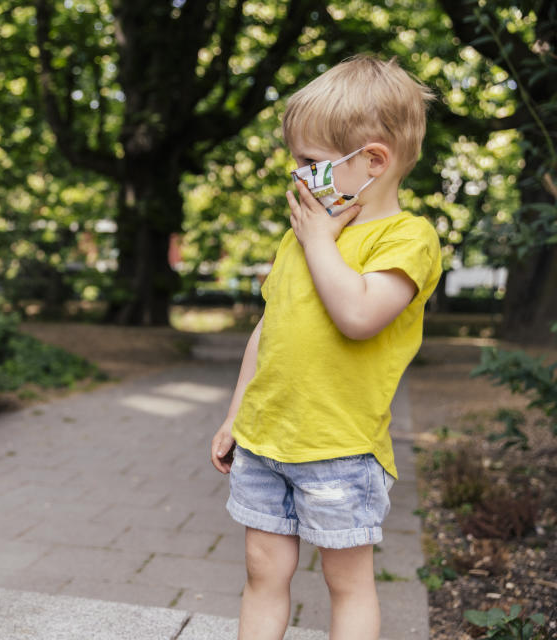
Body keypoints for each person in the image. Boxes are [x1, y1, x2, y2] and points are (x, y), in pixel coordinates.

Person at [210, 55, 441, 640]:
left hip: (339, 449)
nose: (298, 177)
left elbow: (359, 315)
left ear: (373, 160)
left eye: (311, 163)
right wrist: (237, 414)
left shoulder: (408, 238)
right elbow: (271, 327)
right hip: (266, 439)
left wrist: (319, 241)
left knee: (347, 582)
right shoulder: (302, 238)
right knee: (262, 570)